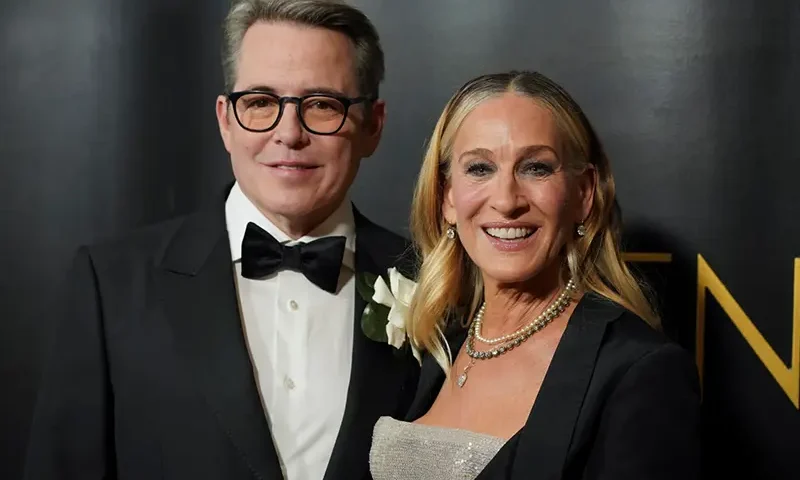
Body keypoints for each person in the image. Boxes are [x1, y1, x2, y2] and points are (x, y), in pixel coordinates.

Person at [24, 1, 420, 479]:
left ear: (373, 126)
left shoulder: (434, 284)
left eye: (321, 104)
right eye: (260, 103)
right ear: (226, 121)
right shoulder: (110, 286)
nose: (288, 133)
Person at [368, 71, 701, 479]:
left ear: (583, 194)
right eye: (479, 168)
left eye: (537, 168)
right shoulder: (437, 343)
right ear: (447, 197)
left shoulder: (638, 372)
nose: (507, 200)